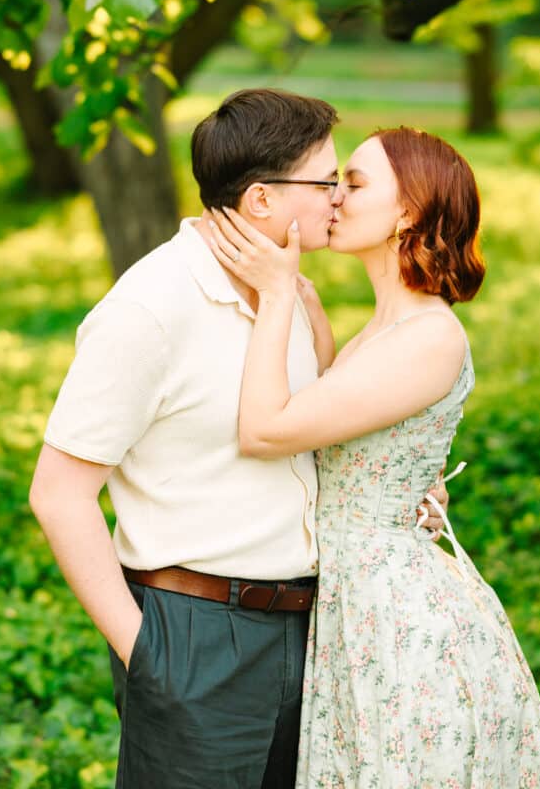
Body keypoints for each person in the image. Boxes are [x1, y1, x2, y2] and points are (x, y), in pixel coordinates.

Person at [28, 90, 449, 789]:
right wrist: (146, 654)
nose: (338, 199)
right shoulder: (149, 308)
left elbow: (309, 436)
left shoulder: (293, 293)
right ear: (260, 199)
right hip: (194, 633)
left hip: (309, 630)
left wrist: (399, 482)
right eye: (325, 181)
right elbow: (58, 495)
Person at [208, 125, 540, 789]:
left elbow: (265, 431)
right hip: (354, 609)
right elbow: (339, 436)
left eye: (354, 181)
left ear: (407, 211)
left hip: (401, 622)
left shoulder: (429, 336)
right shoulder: (381, 328)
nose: (334, 196)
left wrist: (279, 296)